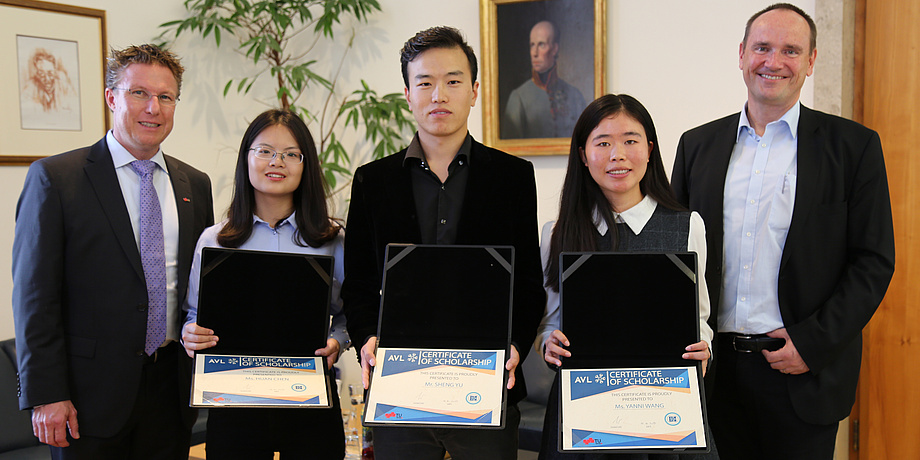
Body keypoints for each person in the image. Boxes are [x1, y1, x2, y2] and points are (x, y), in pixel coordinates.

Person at [670, 4, 895, 459]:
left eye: (791, 50)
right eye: (762, 47)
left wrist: (812, 344)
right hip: (714, 373)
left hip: (802, 373)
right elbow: (676, 254)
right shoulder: (697, 146)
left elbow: (873, 261)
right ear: (741, 54)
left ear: (811, 62)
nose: (773, 62)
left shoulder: (854, 148)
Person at [342, 26, 545, 460]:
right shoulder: (372, 181)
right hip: (401, 384)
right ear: (407, 93)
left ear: (473, 91)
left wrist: (516, 346)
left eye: (453, 82)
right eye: (425, 83)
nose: (439, 95)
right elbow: (358, 282)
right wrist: (365, 338)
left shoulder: (512, 178)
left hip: (485, 384)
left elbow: (528, 282)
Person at [12, 44, 214, 459]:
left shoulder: (195, 184)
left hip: (171, 392)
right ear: (111, 98)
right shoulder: (56, 179)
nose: (153, 108)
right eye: (139, 93)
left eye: (166, 97)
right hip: (87, 399)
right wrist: (46, 394)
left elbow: (199, 285)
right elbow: (35, 297)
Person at [537, 94, 714, 460]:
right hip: (583, 408)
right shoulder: (557, 232)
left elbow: (699, 318)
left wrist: (705, 346)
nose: (618, 154)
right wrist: (546, 343)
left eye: (630, 141)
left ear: (649, 150)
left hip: (665, 405)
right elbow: (551, 321)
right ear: (584, 156)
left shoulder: (686, 226)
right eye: (603, 143)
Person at [180, 109, 349, 459]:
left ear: (306, 165)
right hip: (234, 400)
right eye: (265, 151)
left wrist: (337, 341)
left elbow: (350, 312)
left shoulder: (332, 238)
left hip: (310, 396)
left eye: (291, 154)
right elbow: (195, 313)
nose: (278, 162)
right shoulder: (216, 240)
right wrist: (190, 333)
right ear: (246, 159)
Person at [502, 20, 587, 139]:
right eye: (532, 45)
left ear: (554, 49)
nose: (535, 53)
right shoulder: (518, 98)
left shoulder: (575, 96)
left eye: (541, 44)